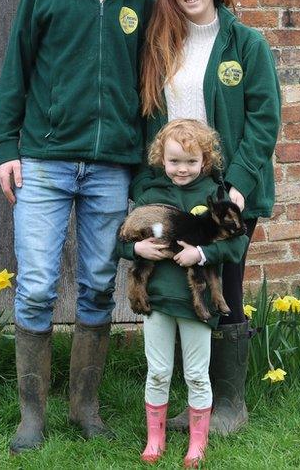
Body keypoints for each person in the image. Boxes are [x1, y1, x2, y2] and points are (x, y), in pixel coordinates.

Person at [0, 0, 154, 454]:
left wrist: (147, 163)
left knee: (96, 285)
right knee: (35, 287)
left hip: (111, 167)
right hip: (45, 160)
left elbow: (149, 85)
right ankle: (31, 415)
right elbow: (16, 71)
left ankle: (85, 407)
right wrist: (5, 147)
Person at [134, 0, 281, 435]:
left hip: (227, 190)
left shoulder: (246, 44)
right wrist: (148, 183)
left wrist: (237, 185)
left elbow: (264, 119)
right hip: (174, 187)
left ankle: (229, 406)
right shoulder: (161, 45)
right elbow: (149, 117)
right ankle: (197, 398)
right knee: (174, 280)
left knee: (225, 283)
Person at [116, 119, 248, 466]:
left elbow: (237, 246)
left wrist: (201, 254)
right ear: (161, 159)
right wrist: (137, 251)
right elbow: (124, 242)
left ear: (205, 161)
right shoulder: (150, 196)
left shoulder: (218, 199)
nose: (182, 169)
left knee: (196, 374)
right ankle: (155, 438)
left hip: (198, 305)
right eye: (174, 161)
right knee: (158, 371)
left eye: (191, 162)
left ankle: (197, 442)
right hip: (158, 300)